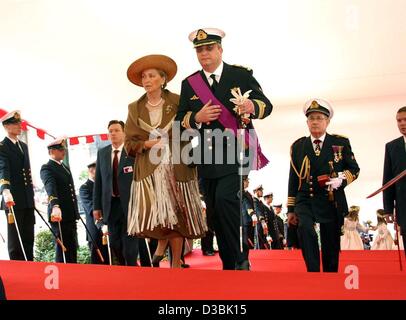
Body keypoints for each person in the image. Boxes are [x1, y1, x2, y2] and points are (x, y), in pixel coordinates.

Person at [176, 28, 273, 270]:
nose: (204, 53)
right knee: (216, 212)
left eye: (209, 48)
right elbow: (179, 122)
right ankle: (231, 259)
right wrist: (196, 116)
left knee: (226, 200)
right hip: (207, 155)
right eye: (199, 49)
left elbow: (266, 105)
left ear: (220, 49)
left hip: (236, 150)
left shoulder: (239, 75)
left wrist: (250, 105)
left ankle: (239, 259)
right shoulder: (190, 83)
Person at [125, 54, 206, 268]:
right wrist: (148, 144)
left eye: (151, 76)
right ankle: (161, 245)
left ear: (163, 79)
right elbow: (129, 143)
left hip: (177, 165)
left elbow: (191, 128)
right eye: (143, 76)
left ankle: (176, 262)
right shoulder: (134, 108)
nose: (146, 80)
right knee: (158, 213)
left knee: (177, 213)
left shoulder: (178, 101)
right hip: (149, 171)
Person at [287, 99, 360, 272]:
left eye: (319, 118)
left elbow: (354, 169)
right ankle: (312, 271)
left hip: (330, 199)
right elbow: (293, 178)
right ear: (307, 122)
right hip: (306, 198)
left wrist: (341, 179)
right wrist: (291, 208)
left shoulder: (340, 143)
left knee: (330, 244)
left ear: (327, 121)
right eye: (311, 118)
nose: (315, 122)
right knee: (305, 229)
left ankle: (329, 276)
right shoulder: (298, 146)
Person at [93, 120, 142, 266]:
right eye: (110, 131)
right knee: (114, 243)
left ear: (124, 132)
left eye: (116, 130)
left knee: (130, 241)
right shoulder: (102, 153)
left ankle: (131, 267)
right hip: (111, 205)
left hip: (130, 204)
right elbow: (99, 182)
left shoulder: (132, 151)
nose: (113, 133)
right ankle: (123, 266)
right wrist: (97, 206)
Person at [0, 110, 35, 261]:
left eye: (20, 123)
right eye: (15, 123)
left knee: (28, 235)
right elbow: (3, 168)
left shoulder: (23, 146)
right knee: (16, 238)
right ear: (6, 127)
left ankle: (29, 263)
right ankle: (18, 265)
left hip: (27, 198)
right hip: (13, 197)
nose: (19, 126)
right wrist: (5, 189)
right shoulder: (2, 146)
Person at [40, 137, 79, 263]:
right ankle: (63, 275)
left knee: (72, 246)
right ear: (51, 151)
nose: (64, 151)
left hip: (70, 214)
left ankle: (73, 272)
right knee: (63, 248)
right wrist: (55, 206)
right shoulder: (47, 168)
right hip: (59, 214)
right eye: (60, 149)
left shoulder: (64, 167)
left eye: (64, 148)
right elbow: (50, 188)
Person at [382, 106, 406, 254]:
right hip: (404, 206)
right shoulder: (391, 147)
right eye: (399, 121)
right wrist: (388, 209)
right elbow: (388, 179)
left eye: (405, 120)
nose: (402, 123)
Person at [79, 161, 108, 264]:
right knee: (98, 261)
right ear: (91, 170)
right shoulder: (85, 188)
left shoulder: (104, 186)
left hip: (109, 227)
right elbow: (91, 209)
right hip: (95, 229)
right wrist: (101, 224)